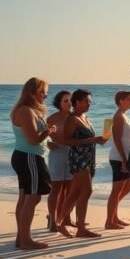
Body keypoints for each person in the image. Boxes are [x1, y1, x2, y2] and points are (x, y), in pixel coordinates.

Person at [9, 78, 56, 250]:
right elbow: (33, 139)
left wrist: (47, 136)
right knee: (33, 197)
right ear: (31, 92)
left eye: (46, 93)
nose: (45, 96)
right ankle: (25, 239)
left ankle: (21, 238)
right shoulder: (26, 111)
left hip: (27, 156)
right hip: (29, 157)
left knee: (25, 197)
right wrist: (47, 131)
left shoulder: (29, 111)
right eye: (42, 92)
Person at [60, 89, 106, 238]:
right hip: (78, 159)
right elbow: (66, 140)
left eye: (90, 102)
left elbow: (89, 139)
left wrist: (100, 140)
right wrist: (92, 140)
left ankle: (58, 222)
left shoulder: (85, 117)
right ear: (77, 102)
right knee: (86, 191)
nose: (89, 104)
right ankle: (80, 228)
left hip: (88, 158)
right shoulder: (72, 119)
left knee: (75, 193)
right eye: (87, 101)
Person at [45, 90, 75, 232]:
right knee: (56, 188)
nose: (69, 103)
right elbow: (42, 136)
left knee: (70, 189)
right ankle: (52, 219)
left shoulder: (76, 117)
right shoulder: (52, 118)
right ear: (59, 103)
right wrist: (48, 143)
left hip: (73, 154)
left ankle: (66, 218)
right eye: (65, 101)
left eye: (70, 100)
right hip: (57, 153)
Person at [106, 90, 130, 230]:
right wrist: (124, 159)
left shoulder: (124, 116)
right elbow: (117, 139)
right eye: (129, 99)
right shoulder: (118, 116)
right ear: (121, 101)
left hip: (126, 157)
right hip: (119, 158)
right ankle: (109, 221)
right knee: (116, 190)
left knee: (127, 188)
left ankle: (114, 216)